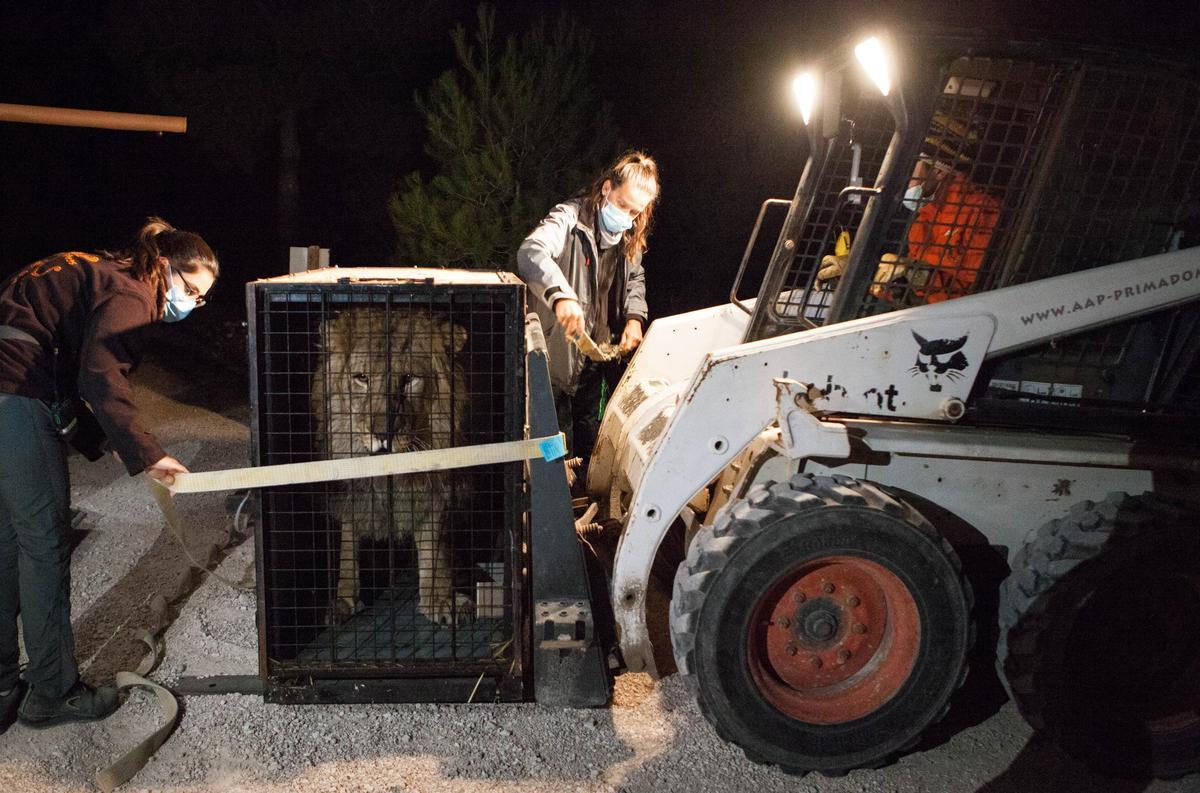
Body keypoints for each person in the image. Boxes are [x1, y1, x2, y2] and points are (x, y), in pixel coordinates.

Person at [0, 217, 218, 731]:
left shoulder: (95, 268)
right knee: (44, 543)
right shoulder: (131, 291)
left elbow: (71, 376)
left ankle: (5, 683)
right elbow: (101, 377)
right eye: (190, 289)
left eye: (201, 299)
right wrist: (147, 453)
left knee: (7, 542)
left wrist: (106, 442)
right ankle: (53, 690)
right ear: (163, 266)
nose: (190, 303)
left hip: (10, 387)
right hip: (14, 394)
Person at [518, 151, 659, 461]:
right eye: (622, 205)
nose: (627, 217)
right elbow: (531, 252)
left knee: (590, 431)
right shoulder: (569, 218)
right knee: (552, 439)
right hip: (557, 354)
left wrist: (635, 319)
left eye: (635, 212)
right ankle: (554, 496)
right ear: (606, 188)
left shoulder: (628, 236)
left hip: (599, 355)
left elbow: (636, 278)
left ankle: (585, 490)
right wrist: (560, 296)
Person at [818, 112, 1001, 307]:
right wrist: (857, 271)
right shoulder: (924, 220)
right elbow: (908, 293)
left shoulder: (982, 212)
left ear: (938, 170)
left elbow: (977, 296)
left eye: (912, 167)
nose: (906, 180)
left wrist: (917, 274)